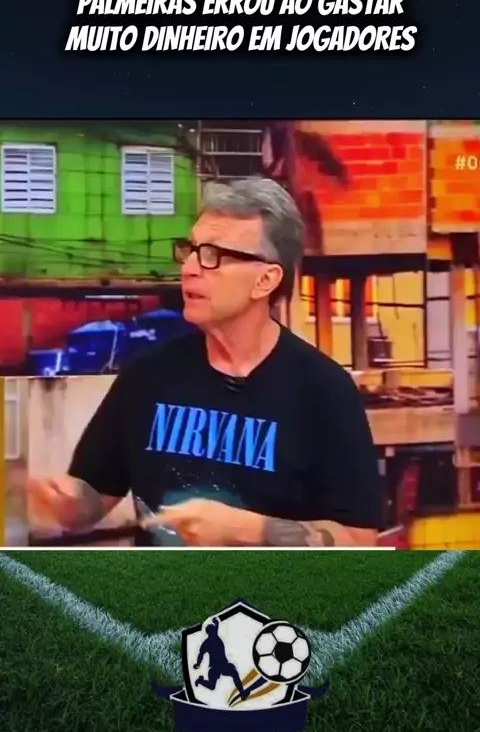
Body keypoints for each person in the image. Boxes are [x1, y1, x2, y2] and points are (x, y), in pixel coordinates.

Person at [27, 177, 383, 547]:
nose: (190, 268)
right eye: (191, 250)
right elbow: (91, 501)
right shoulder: (147, 376)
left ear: (265, 280)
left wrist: (249, 531)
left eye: (213, 255)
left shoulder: (324, 391)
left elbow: (358, 541)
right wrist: (64, 501)